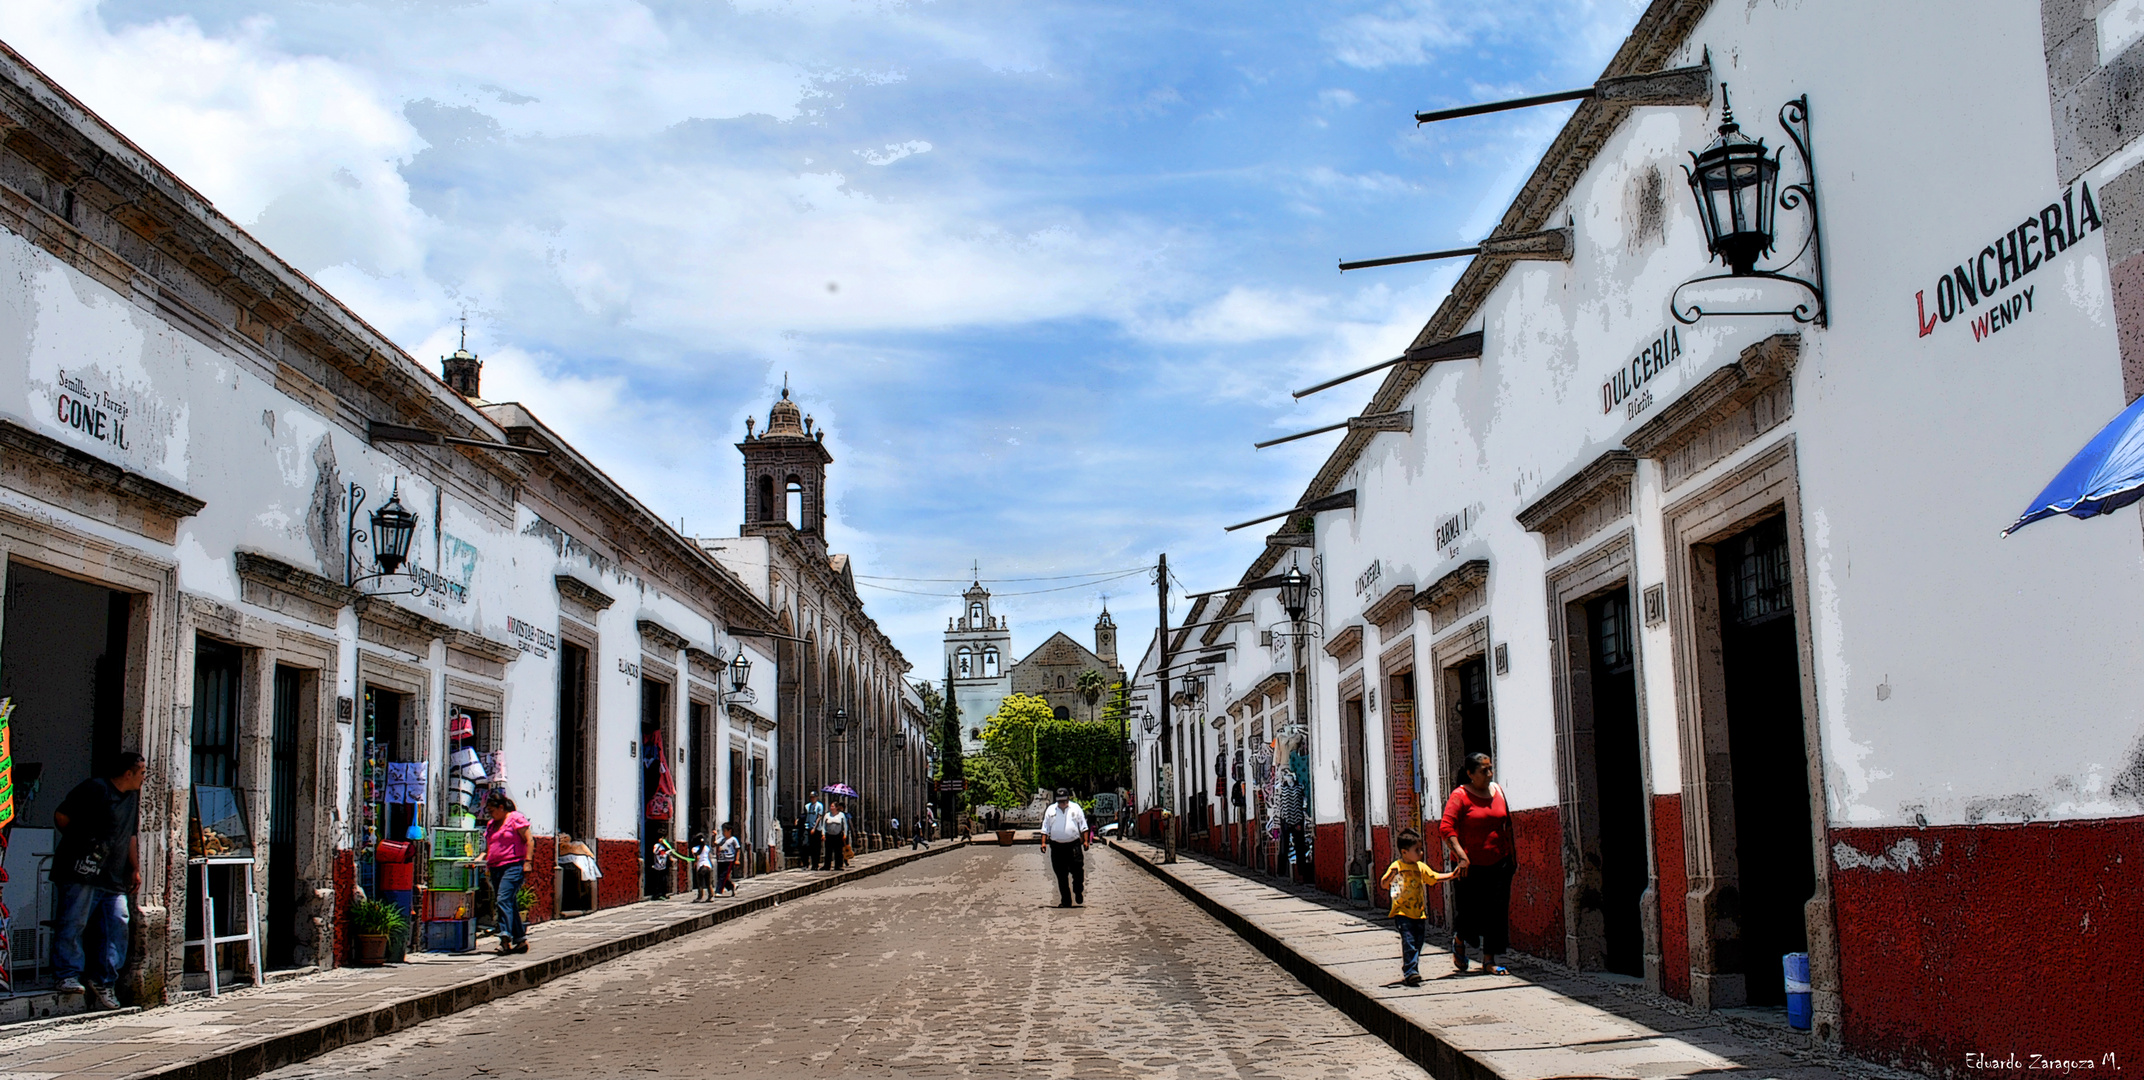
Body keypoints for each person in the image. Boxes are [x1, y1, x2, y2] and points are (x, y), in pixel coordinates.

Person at [51, 753, 145, 1008]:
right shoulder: (95, 788)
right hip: (83, 870)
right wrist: (79, 842)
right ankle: (67, 974)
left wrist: (135, 868)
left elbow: (131, 835)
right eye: (142, 772)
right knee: (74, 920)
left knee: (117, 923)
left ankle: (104, 981)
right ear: (129, 773)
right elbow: (62, 815)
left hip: (113, 875)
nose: (144, 778)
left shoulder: (131, 798)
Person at [1440, 752, 1515, 976]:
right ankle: (1460, 938)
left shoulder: (1498, 791)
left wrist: (1513, 856)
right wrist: (1462, 856)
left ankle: (1489, 959)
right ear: (1470, 774)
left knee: (1496, 911)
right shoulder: (1460, 796)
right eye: (1484, 770)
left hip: (1499, 862)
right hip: (1469, 866)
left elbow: (1507, 825)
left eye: (1490, 768)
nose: (1490, 774)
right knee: (1469, 913)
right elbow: (1446, 828)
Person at [1381, 828, 1454, 986]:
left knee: (1418, 942)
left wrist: (1452, 875)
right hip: (1402, 913)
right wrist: (1390, 875)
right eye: (1417, 850)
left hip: (1419, 913)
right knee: (1409, 942)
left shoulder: (1420, 867)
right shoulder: (1397, 866)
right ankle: (1411, 971)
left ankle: (1411, 966)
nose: (1420, 853)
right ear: (1404, 852)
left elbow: (1434, 877)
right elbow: (1384, 884)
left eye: (1421, 849)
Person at [483, 791, 533, 955]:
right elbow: (488, 848)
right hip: (496, 867)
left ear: (502, 807)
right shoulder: (491, 825)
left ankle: (505, 937)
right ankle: (520, 940)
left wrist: (528, 862)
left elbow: (529, 840)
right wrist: (478, 861)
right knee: (509, 902)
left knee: (502, 899)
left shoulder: (515, 819)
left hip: (513, 866)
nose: (490, 814)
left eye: (492, 810)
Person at [1038, 788, 1089, 908]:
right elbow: (1045, 828)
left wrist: (1086, 841)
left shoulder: (1076, 809)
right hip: (1057, 846)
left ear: (1068, 799)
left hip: (1073, 845)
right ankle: (1066, 900)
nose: (1062, 804)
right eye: (1060, 801)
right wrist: (1043, 843)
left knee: (1077, 870)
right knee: (1061, 874)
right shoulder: (1051, 810)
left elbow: (1083, 826)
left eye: (1064, 801)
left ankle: (1078, 889)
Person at [821, 800, 849, 871]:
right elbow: (824, 825)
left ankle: (838, 865)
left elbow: (845, 825)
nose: (831, 807)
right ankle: (827, 865)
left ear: (836, 807)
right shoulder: (827, 815)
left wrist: (845, 834)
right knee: (828, 851)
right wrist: (823, 834)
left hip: (838, 835)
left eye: (833, 806)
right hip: (829, 835)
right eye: (831, 806)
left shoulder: (841, 815)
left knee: (838, 851)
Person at [715, 822, 742, 897]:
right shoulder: (722, 840)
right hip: (721, 860)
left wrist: (737, 859)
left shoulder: (733, 839)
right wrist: (713, 836)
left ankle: (718, 891)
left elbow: (738, 849)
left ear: (729, 831)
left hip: (729, 860)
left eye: (725, 831)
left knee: (723, 875)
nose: (723, 833)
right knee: (721, 876)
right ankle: (732, 886)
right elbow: (714, 844)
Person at [690, 832, 716, 902]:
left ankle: (700, 897)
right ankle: (711, 896)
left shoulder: (694, 849)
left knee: (700, 883)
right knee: (709, 883)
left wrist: (695, 864)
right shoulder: (706, 847)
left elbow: (697, 857)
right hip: (708, 865)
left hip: (700, 866)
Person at [802, 794, 826, 871]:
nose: (812, 799)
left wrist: (814, 828)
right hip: (807, 827)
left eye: (814, 797)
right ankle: (805, 863)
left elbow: (819, 817)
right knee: (805, 845)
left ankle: (815, 864)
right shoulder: (807, 806)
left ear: (816, 797)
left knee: (815, 847)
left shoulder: (819, 806)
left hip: (816, 829)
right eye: (811, 797)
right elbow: (805, 815)